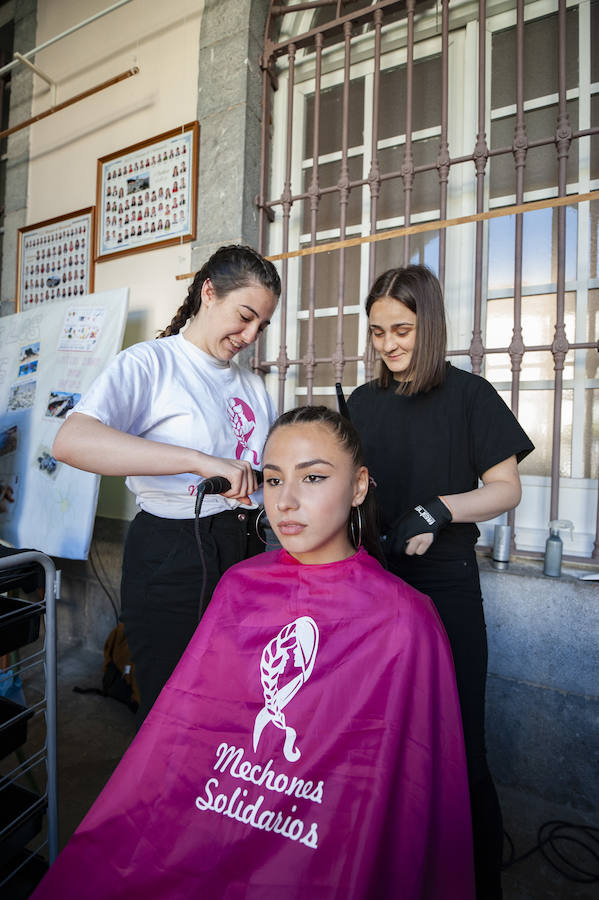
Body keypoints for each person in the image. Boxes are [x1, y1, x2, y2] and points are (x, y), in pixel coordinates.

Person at [33, 406, 474, 900]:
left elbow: (407, 788)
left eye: (312, 478)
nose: (285, 501)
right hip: (214, 817)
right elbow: (185, 734)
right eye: (272, 479)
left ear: (358, 486)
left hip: (319, 851)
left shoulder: (404, 619)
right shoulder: (239, 586)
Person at [347, 265, 534, 900]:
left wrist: (438, 511)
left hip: (446, 585)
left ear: (429, 325)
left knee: (459, 744)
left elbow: (505, 488)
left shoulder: (470, 395)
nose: (388, 345)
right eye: (376, 332)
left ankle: (478, 885)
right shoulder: (364, 404)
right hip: (374, 586)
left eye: (400, 330)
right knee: (379, 741)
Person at [52, 244, 281, 722]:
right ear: (209, 293)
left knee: (234, 701)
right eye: (244, 316)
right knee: (173, 711)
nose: (250, 334)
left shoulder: (253, 387)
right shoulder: (150, 364)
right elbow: (72, 442)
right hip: (173, 553)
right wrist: (196, 460)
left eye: (261, 324)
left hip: (243, 548)